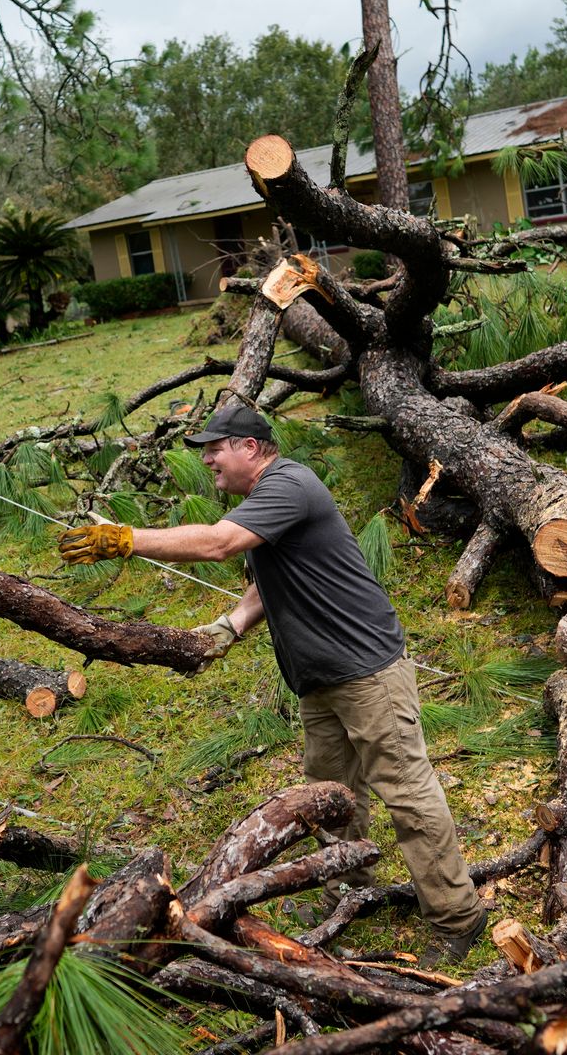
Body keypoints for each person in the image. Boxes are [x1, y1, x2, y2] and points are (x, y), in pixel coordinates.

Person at [59, 401, 487, 959]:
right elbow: (266, 585)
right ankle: (349, 888)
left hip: (366, 673)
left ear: (252, 448)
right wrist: (228, 627)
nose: (208, 459)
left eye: (217, 447)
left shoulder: (290, 484)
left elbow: (217, 543)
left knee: (406, 792)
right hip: (318, 679)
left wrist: (126, 539)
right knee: (332, 795)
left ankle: (458, 918)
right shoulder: (263, 502)